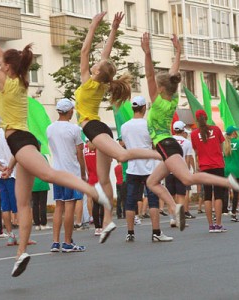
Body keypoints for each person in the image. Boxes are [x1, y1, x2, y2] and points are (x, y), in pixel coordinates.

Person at [0, 12, 109, 277]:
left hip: (20, 140)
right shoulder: (17, 79)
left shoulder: (8, 83)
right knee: (23, 203)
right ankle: (21, 255)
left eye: (2, 63)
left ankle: (94, 192)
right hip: (21, 143)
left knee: (48, 174)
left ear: (7, 67)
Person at [75, 12, 167, 244]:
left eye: (95, 65)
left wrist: (94, 24)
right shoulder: (101, 80)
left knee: (122, 154)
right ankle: (107, 221)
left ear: (95, 72)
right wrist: (113, 29)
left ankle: (161, 154)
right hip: (99, 127)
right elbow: (104, 57)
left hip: (93, 128)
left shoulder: (89, 81)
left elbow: (85, 51)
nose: (94, 62)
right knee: (104, 180)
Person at [141, 32, 239, 233]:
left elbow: (151, 75)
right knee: (152, 182)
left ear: (160, 89)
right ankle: (174, 208)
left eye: (156, 86)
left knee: (187, 179)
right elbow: (172, 76)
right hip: (168, 146)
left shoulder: (159, 102)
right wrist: (178, 51)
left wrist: (147, 53)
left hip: (165, 144)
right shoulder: (172, 99)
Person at [121, 95, 172, 243]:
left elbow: (124, 144)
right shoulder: (150, 124)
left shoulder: (124, 126)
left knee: (130, 202)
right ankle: (156, 232)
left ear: (133, 108)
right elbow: (155, 145)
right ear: (144, 108)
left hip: (132, 168)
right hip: (150, 168)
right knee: (153, 200)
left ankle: (130, 233)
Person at [47, 98, 87, 253]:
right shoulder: (75, 129)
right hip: (71, 172)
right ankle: (68, 242)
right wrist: (83, 174)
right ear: (69, 110)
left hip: (56, 171)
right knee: (70, 205)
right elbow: (79, 153)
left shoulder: (50, 128)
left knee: (59, 205)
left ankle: (55, 242)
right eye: (72, 110)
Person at [191, 110, 227, 232]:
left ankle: (210, 225)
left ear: (197, 120)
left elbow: (196, 152)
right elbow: (221, 146)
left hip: (204, 167)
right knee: (218, 195)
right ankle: (218, 224)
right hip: (217, 165)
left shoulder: (194, 134)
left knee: (207, 195)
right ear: (206, 118)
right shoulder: (216, 130)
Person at [0, 126, 18, 245]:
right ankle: (23, 236)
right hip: (14, 173)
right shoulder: (13, 133)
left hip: (0, 175)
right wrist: (9, 169)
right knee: (20, 205)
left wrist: (2, 169)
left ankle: (11, 235)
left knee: (5, 207)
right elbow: (17, 153)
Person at [168, 120, 195, 220]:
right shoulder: (187, 142)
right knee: (181, 195)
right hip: (181, 171)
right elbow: (187, 160)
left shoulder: (168, 140)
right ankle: (179, 217)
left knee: (170, 196)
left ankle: (172, 219)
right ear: (183, 130)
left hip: (169, 170)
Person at [85, 139, 103, 236]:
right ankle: (102, 226)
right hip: (101, 177)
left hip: (91, 177)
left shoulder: (85, 149)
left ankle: (97, 228)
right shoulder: (99, 149)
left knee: (95, 203)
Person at [32, 152, 51, 231]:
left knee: (35, 204)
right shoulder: (43, 156)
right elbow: (48, 169)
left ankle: (37, 224)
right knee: (42, 204)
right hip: (43, 182)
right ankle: (43, 223)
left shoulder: (29, 157)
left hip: (33, 183)